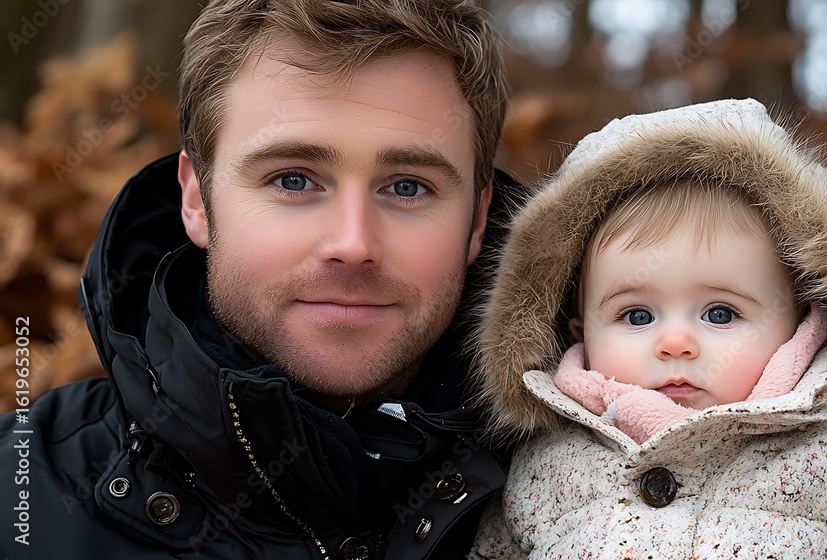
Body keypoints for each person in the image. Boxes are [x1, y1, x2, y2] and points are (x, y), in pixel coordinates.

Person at [0, 1, 523, 558]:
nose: (353, 244)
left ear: (477, 219)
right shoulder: (20, 494)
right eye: (293, 179)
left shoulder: (594, 494)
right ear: (198, 200)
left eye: (407, 187)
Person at [470, 99, 827, 559]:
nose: (675, 342)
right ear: (578, 331)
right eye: (637, 315)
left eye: (720, 313)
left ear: (800, 314)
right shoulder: (548, 468)